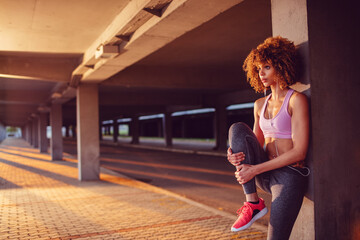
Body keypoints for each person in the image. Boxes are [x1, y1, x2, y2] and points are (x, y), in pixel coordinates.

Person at [227, 36, 310, 239]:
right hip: (264, 173)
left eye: (266, 67)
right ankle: (252, 203)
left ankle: (254, 205)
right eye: (258, 69)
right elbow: (254, 143)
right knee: (237, 129)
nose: (261, 73)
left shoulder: (296, 101)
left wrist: (253, 169)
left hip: (289, 176)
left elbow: (299, 152)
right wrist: (233, 155)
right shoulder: (259, 104)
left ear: (281, 66)